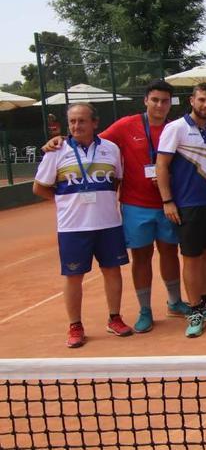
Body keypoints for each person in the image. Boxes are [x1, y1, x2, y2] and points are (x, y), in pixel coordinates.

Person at [41, 79, 190, 334]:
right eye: (154, 99)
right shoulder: (125, 125)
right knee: (141, 258)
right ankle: (145, 310)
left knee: (169, 252)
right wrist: (58, 141)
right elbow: (90, 138)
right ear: (145, 100)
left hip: (168, 204)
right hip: (135, 206)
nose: (159, 105)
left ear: (170, 104)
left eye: (165, 101)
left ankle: (174, 302)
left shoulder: (176, 128)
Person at [33, 103, 131, 348]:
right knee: (73, 276)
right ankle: (75, 326)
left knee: (112, 271)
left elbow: (117, 179)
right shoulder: (56, 151)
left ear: (94, 123)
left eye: (82, 121)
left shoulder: (111, 149)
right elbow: (39, 187)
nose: (76, 126)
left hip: (108, 223)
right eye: (73, 121)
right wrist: (66, 201)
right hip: (72, 227)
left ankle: (114, 318)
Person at [157, 82, 206, 338]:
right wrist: (168, 201)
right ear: (192, 100)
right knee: (191, 257)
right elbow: (162, 166)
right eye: (202, 100)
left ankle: (205, 302)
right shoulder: (174, 128)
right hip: (187, 205)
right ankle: (194, 310)